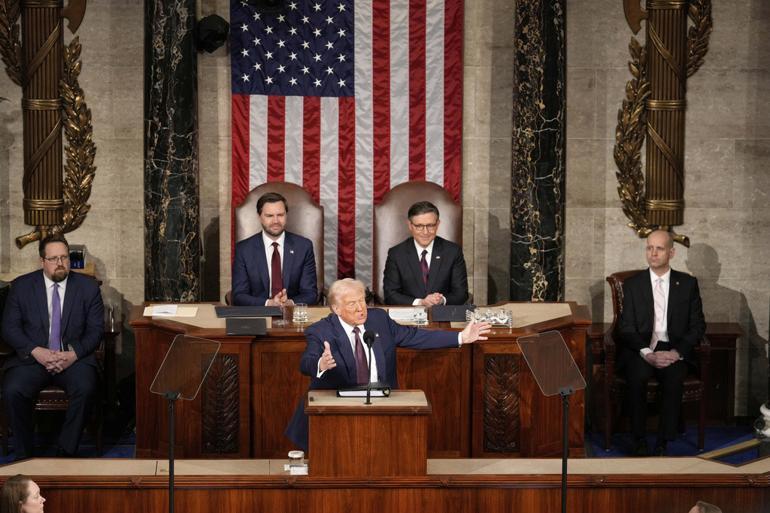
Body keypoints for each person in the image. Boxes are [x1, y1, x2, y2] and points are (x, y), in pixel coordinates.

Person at [284, 278, 490, 450]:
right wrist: (321, 364)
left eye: (362, 301)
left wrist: (461, 337)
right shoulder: (321, 331)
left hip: (381, 406)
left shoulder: (379, 320)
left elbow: (413, 336)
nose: (360, 308)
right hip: (337, 411)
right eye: (352, 304)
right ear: (336, 309)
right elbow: (306, 362)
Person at [1, 234, 104, 459]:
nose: (60, 263)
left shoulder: (88, 287)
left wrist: (73, 354)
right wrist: (36, 351)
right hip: (33, 359)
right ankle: (25, 455)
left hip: (73, 359)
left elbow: (96, 331)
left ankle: (65, 452)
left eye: (64, 257)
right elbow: (9, 328)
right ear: (42, 261)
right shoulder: (22, 286)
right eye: (54, 258)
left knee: (86, 387)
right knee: (12, 389)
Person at [617, 229, 706, 456]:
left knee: (673, 379)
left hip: (673, 348)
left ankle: (663, 442)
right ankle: (639, 439)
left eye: (659, 248)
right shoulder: (633, 285)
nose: (653, 253)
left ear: (671, 253)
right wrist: (647, 352)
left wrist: (677, 353)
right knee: (637, 377)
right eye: (649, 248)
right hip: (642, 347)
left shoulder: (687, 284)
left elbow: (698, 326)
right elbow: (626, 327)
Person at [231, 192, 318, 306]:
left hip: (293, 312)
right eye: (269, 216)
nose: (276, 221)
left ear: (286, 215)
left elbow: (310, 293)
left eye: (280, 215)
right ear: (259, 217)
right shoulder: (244, 249)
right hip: (259, 313)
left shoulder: (304, 247)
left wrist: (290, 303)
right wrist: (269, 303)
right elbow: (239, 295)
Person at [383, 201, 468, 306]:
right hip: (408, 313)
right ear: (410, 225)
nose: (425, 232)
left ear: (437, 224)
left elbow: (461, 293)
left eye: (430, 225)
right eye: (419, 226)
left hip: (442, 313)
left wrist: (441, 300)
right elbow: (390, 295)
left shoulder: (453, 251)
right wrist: (420, 302)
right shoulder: (396, 254)